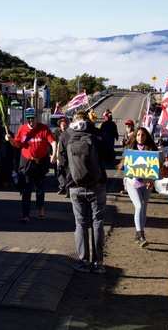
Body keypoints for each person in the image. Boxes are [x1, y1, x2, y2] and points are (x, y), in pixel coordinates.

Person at [65, 111, 108, 274]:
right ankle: (98, 263)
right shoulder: (96, 135)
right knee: (97, 222)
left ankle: (83, 261)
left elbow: (61, 162)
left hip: (75, 186)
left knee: (80, 223)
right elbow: (109, 155)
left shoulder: (66, 136)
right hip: (97, 185)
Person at [6, 108, 56, 222]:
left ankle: (41, 210)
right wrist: (10, 140)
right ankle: (25, 215)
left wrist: (54, 154)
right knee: (26, 189)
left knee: (40, 188)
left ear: (36, 118)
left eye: (32, 119)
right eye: (28, 119)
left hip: (41, 162)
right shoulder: (23, 129)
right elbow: (17, 144)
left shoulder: (43, 128)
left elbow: (53, 141)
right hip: (27, 162)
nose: (30, 121)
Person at [120, 127, 157, 247]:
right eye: (138, 135)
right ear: (135, 137)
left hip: (147, 184)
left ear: (146, 137)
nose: (140, 137)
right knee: (139, 205)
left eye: (143, 135)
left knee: (144, 208)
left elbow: (156, 168)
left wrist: (151, 179)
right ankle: (140, 234)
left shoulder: (151, 150)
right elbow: (125, 167)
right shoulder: (130, 150)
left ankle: (139, 234)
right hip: (132, 183)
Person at [55, 116, 70, 195]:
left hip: (67, 155)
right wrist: (52, 154)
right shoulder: (56, 132)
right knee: (59, 172)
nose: (63, 126)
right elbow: (53, 143)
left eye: (65, 124)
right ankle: (62, 186)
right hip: (59, 154)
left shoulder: (69, 133)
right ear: (60, 125)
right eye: (62, 124)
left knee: (67, 172)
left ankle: (66, 189)